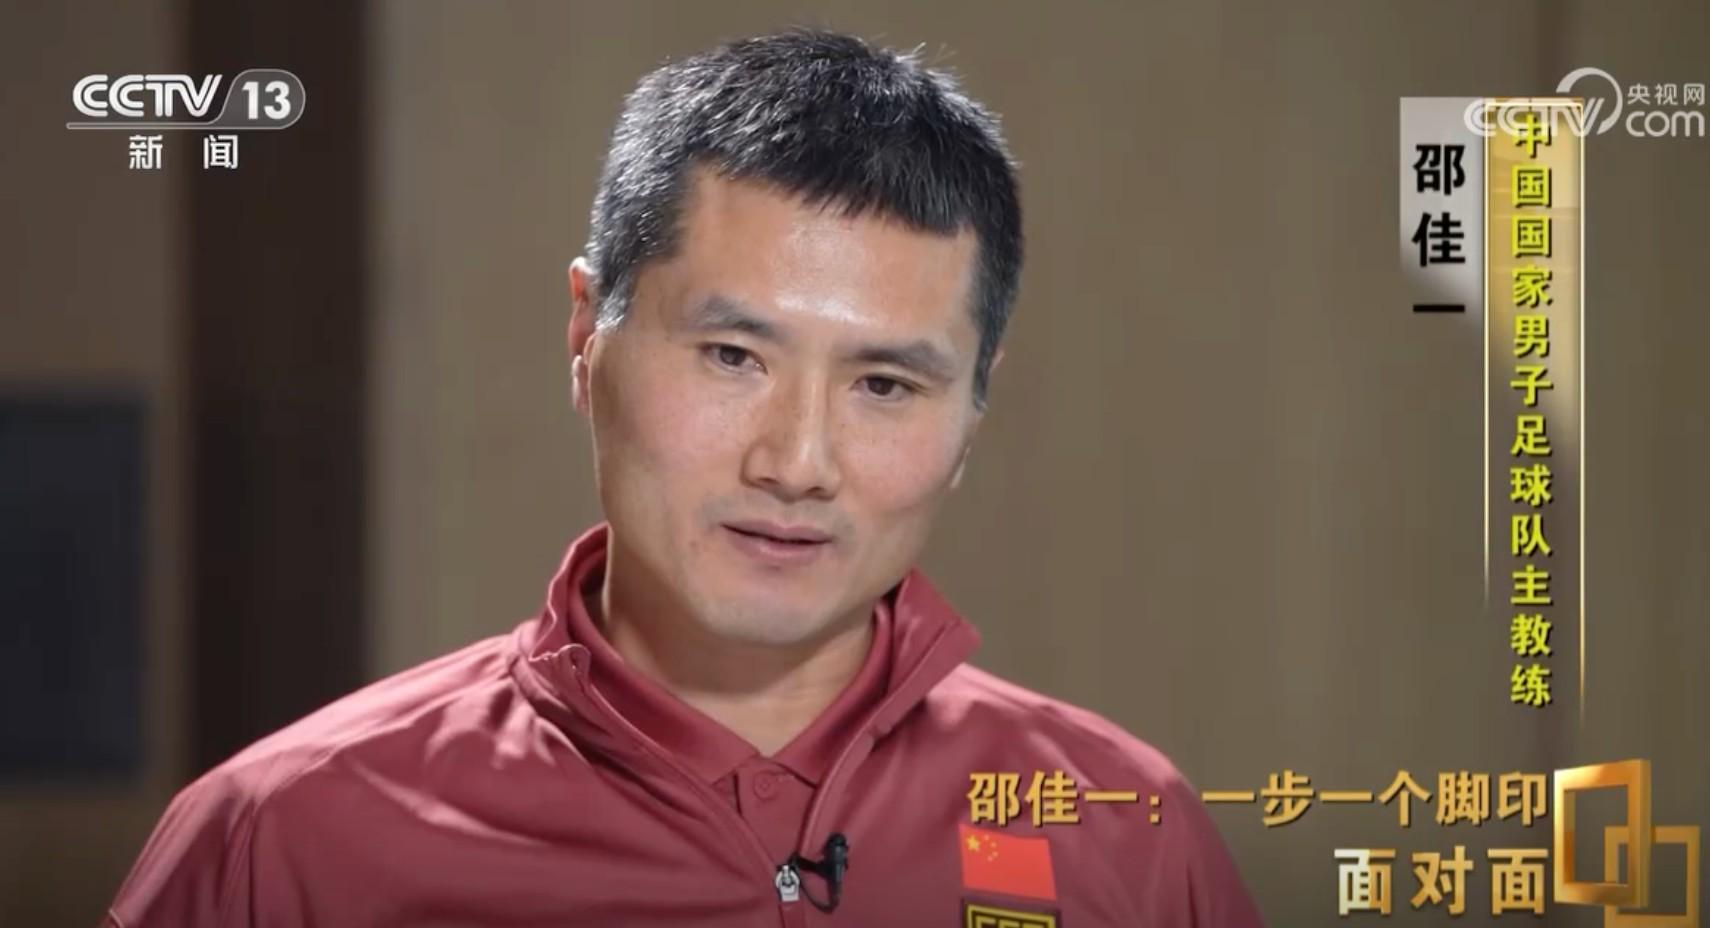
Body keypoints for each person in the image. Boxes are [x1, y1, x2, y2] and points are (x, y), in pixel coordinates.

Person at [107, 30, 1264, 927]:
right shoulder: (285, 841)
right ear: (585, 335)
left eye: (885, 384)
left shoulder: (1127, 837)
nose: (797, 464)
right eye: (732, 357)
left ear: (974, 407)